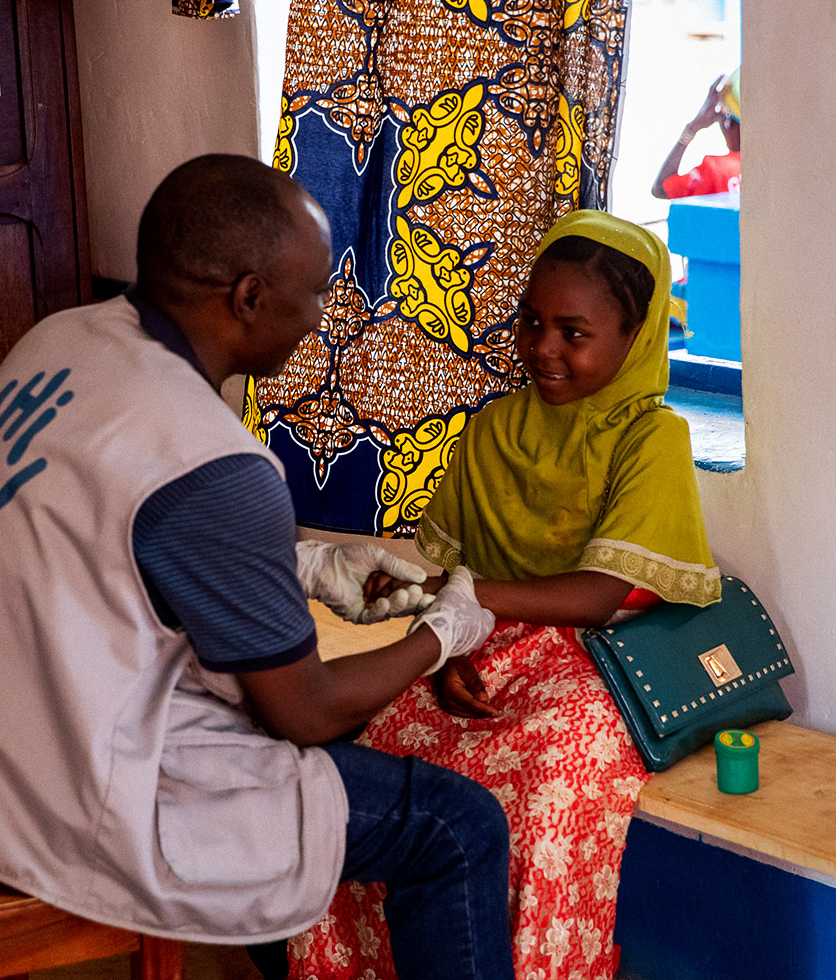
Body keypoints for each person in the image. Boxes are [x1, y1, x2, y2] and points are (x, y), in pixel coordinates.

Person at [0, 154, 515, 980]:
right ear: (247, 297)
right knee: (456, 826)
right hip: (59, 804)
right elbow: (303, 713)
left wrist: (299, 565)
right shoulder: (216, 466)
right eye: (314, 290)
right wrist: (441, 634)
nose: (320, 316)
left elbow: (106, 543)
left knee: (288, 764)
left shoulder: (64, 338)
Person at [287, 210, 724, 980]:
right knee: (385, 757)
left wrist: (464, 606)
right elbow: (437, 574)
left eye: (573, 332)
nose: (543, 350)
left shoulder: (650, 438)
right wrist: (443, 643)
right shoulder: (494, 428)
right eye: (530, 323)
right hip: (483, 640)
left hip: (599, 662)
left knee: (539, 791)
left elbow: (596, 597)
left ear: (635, 339)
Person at [651, 67, 741, 200]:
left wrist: (691, 129)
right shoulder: (775, 166)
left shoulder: (717, 170)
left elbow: (660, 189)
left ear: (730, 123)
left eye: (722, 118)